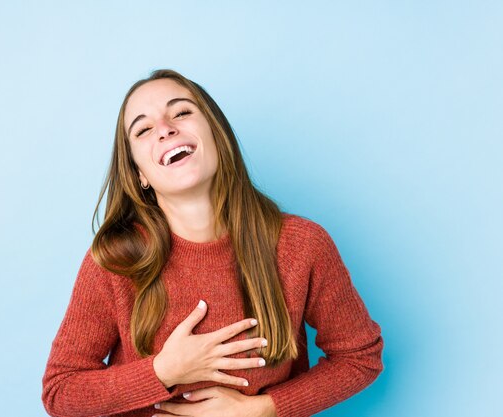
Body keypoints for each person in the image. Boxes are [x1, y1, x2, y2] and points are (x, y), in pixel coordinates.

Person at [41, 69, 384, 417]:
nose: (165, 128)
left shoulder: (302, 246)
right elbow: (60, 391)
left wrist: (262, 410)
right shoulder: (117, 260)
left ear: (216, 135)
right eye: (143, 129)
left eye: (181, 112)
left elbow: (360, 358)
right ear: (139, 174)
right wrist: (164, 371)